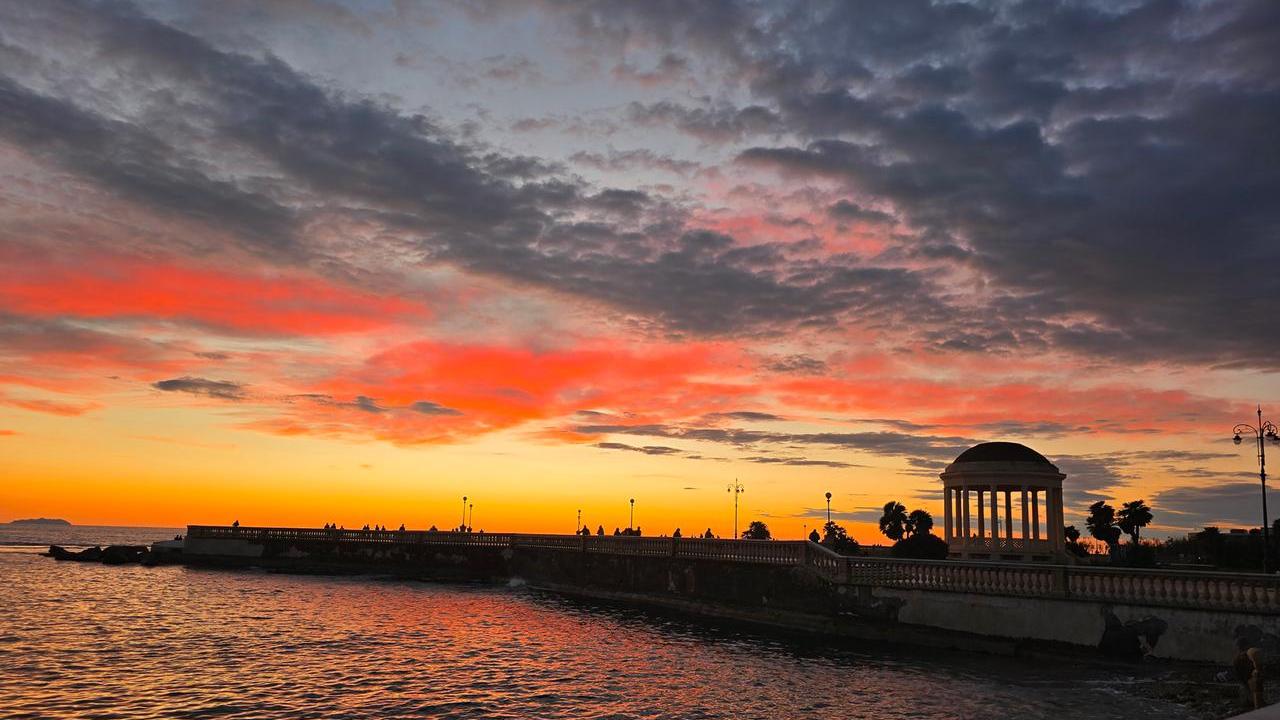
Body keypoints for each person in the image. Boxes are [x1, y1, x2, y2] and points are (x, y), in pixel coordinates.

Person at [1233, 637, 1267, 710]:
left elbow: (1238, 676)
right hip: (1251, 681)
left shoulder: (1238, 659)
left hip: (1248, 682)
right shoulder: (1251, 654)